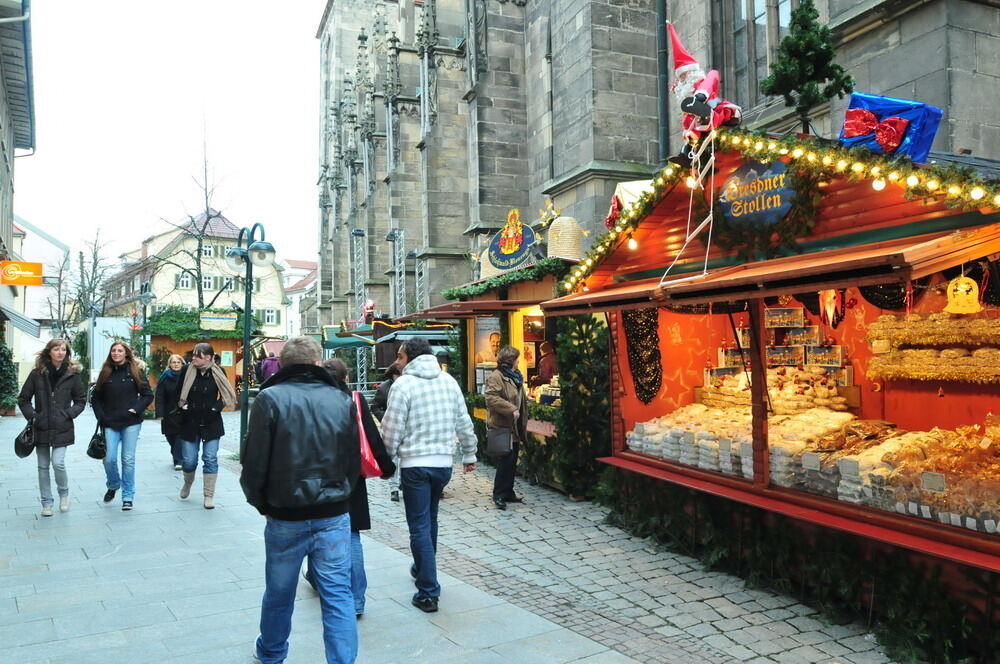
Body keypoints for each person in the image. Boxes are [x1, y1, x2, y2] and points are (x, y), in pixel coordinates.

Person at [240, 336, 360, 664]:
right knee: (337, 595)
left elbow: (254, 461)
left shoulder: (269, 398)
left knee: (280, 593)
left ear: (282, 364)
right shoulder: (341, 399)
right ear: (318, 362)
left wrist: (263, 503)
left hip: (285, 513)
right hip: (332, 511)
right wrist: (342, 494)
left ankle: (272, 652)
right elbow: (352, 459)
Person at [380, 337, 478, 613]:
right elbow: (463, 420)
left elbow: (392, 429)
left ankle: (428, 591)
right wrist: (469, 453)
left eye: (399, 357)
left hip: (415, 465)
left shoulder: (403, 385)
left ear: (410, 357)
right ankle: (422, 566)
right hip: (442, 465)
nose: (397, 362)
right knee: (430, 518)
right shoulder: (448, 381)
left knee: (419, 525)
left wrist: (386, 462)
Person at [305, 358, 394, 618]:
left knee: (316, 531)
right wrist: (387, 468)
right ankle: (356, 600)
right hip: (350, 476)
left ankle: (316, 577)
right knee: (351, 534)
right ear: (345, 378)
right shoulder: (354, 399)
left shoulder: (311, 400)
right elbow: (371, 436)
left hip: (318, 475)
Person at [17, 338, 87, 517]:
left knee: (58, 463)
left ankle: (64, 494)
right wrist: (34, 417)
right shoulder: (37, 374)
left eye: (63, 349)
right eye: (56, 349)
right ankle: (47, 503)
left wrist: (68, 414)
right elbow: (23, 399)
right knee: (42, 466)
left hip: (62, 426)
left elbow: (80, 400)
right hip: (41, 427)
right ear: (49, 352)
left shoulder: (73, 375)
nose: (60, 352)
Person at [666, 21, 742, 168]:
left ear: (691, 73)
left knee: (701, 111)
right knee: (690, 126)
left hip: (718, 109)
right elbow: (687, 121)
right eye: (681, 77)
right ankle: (686, 155)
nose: (682, 80)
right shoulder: (688, 103)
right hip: (700, 122)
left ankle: (705, 117)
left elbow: (712, 78)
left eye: (684, 76)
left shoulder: (703, 80)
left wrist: (701, 95)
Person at [91, 341, 154, 511]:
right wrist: (101, 416)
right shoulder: (105, 372)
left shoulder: (135, 371)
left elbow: (148, 395)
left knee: (128, 460)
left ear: (126, 353)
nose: (116, 353)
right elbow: (95, 398)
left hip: (131, 422)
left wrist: (136, 409)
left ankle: (128, 496)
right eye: (113, 350)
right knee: (109, 458)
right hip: (110, 422)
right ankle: (113, 484)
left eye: (120, 350)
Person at [177, 342, 237, 510]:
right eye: (193, 355)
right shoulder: (186, 371)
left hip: (211, 421)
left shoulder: (218, 372)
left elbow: (225, 394)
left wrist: (215, 407)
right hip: (190, 420)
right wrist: (182, 405)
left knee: (210, 458)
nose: (194, 358)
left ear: (209, 357)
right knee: (189, 461)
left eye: (198, 355)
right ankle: (188, 483)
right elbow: (178, 392)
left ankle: (208, 496)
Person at [486, 346, 528, 510]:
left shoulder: (515, 376)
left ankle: (508, 491)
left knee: (512, 461)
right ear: (511, 360)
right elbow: (491, 397)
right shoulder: (497, 376)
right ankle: (499, 495)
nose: (519, 361)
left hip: (515, 426)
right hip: (503, 426)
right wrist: (511, 409)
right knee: (506, 461)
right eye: (517, 358)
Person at [370, 362, 402, 502]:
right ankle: (394, 488)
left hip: (405, 428)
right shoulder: (384, 388)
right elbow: (375, 406)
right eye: (397, 374)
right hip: (391, 427)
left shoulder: (407, 386)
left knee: (404, 458)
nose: (399, 377)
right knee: (392, 457)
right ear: (392, 374)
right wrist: (385, 419)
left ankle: (402, 483)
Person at [154, 354, 186, 470]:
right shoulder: (165, 377)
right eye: (174, 362)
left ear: (182, 364)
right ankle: (176, 455)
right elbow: (159, 396)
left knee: (179, 436)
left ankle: (179, 460)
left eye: (178, 362)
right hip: (168, 412)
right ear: (170, 364)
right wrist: (160, 413)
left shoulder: (186, 376)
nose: (176, 364)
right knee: (170, 436)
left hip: (183, 411)